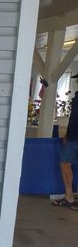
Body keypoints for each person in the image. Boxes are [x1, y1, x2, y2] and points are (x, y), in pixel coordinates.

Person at [53, 73, 78, 210]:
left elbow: (75, 119)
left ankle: (69, 197)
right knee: (65, 164)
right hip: (73, 136)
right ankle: (69, 197)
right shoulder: (76, 97)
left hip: (74, 137)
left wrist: (68, 135)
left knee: (65, 164)